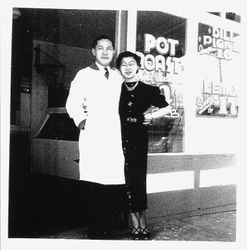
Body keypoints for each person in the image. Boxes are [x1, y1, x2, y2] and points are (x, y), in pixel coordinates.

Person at [66, 35, 126, 239]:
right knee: (94, 185)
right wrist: (83, 122)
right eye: (100, 48)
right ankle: (95, 233)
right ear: (93, 52)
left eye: (109, 48)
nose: (105, 52)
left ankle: (108, 231)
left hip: (115, 135)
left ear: (114, 52)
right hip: (94, 135)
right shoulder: (84, 75)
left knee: (112, 184)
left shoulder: (118, 75)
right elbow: (72, 102)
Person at [116, 51, 171, 240]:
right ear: (119, 69)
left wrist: (150, 116)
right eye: (124, 64)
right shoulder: (115, 89)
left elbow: (167, 107)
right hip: (116, 140)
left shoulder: (148, 90)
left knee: (138, 181)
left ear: (138, 66)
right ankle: (135, 224)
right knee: (125, 182)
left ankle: (142, 222)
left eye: (132, 63)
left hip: (138, 140)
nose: (128, 67)